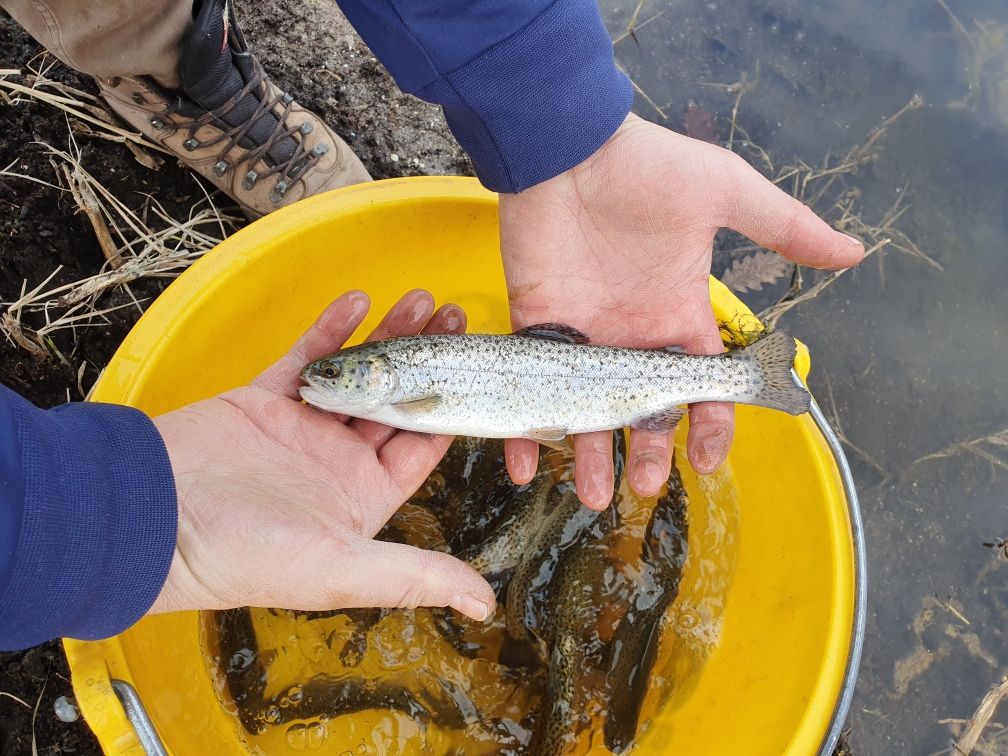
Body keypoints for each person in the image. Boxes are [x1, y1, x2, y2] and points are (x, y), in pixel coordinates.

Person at [0, 0, 864, 651]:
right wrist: (119, 518)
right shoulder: (405, 385)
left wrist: (558, 117)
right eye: (339, 375)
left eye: (342, 375)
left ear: (387, 376)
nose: (326, 378)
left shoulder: (407, 384)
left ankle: (176, 60)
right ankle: (157, 60)